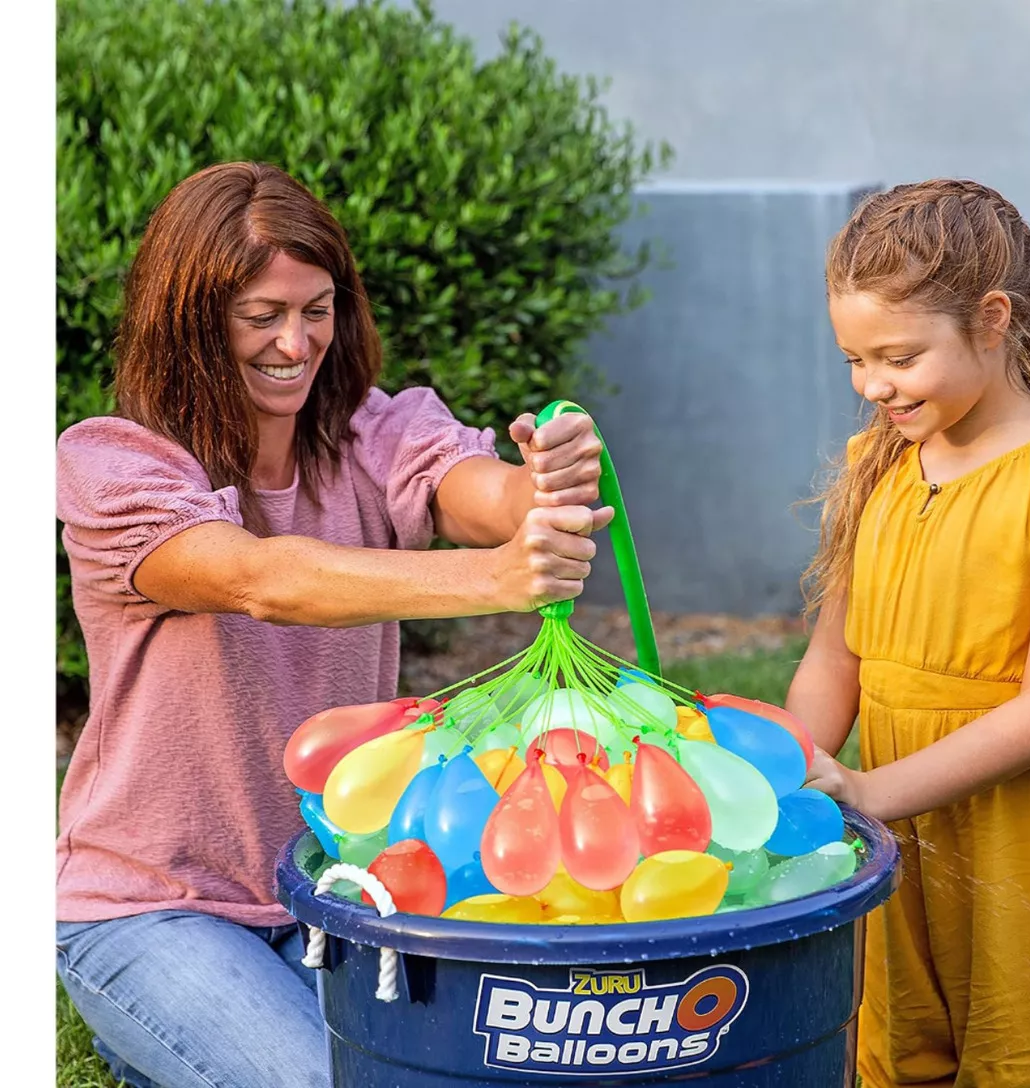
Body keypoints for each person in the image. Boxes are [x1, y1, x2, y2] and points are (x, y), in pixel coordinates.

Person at [54, 161, 613, 1088]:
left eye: (317, 310)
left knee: (496, 1065)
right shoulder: (114, 467)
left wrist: (537, 487)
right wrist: (498, 579)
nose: (295, 342)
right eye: (260, 314)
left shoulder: (367, 431)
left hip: (337, 889)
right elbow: (261, 580)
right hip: (154, 906)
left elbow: (471, 490)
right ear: (191, 320)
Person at [788, 179, 1030, 1087]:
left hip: (1026, 831)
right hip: (897, 823)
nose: (873, 386)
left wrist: (869, 787)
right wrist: (781, 771)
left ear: (990, 318)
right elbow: (837, 657)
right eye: (852, 363)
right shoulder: (880, 464)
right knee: (897, 1043)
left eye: (899, 357)